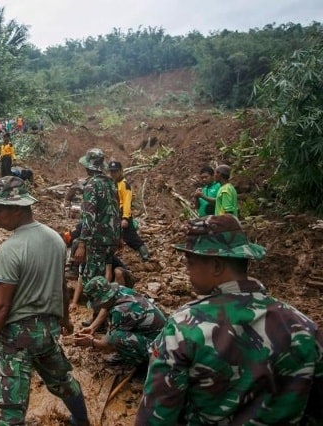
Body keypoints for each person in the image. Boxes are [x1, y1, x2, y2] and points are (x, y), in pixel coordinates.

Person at [136, 214, 323, 424]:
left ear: (216, 265)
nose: (186, 270)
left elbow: (156, 418)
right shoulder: (305, 327)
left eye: (190, 261)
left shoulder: (184, 327)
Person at [0, 176, 90, 426]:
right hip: (47, 331)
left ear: (17, 208)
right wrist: (66, 319)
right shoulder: (56, 239)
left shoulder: (10, 248)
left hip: (18, 336)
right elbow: (61, 285)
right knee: (62, 381)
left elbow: (1, 305)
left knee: (11, 406)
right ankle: (82, 421)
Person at [73, 276, 166, 368]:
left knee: (117, 337)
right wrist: (92, 327)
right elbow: (106, 307)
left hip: (158, 348)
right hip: (157, 334)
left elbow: (108, 344)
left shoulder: (122, 311)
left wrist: (91, 342)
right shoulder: (119, 291)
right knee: (113, 332)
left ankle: (140, 362)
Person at [74, 148, 122, 290]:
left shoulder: (91, 185)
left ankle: (96, 307)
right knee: (105, 272)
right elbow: (116, 211)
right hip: (111, 238)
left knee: (92, 279)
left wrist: (82, 243)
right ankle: (105, 305)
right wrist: (118, 236)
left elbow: (89, 216)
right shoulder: (111, 184)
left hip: (97, 240)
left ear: (89, 167)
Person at [107, 161, 150, 261]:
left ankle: (146, 256)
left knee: (131, 237)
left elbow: (127, 202)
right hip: (115, 214)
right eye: (111, 172)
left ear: (121, 171)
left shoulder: (125, 185)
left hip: (123, 214)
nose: (113, 174)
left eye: (115, 171)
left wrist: (125, 218)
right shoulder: (114, 184)